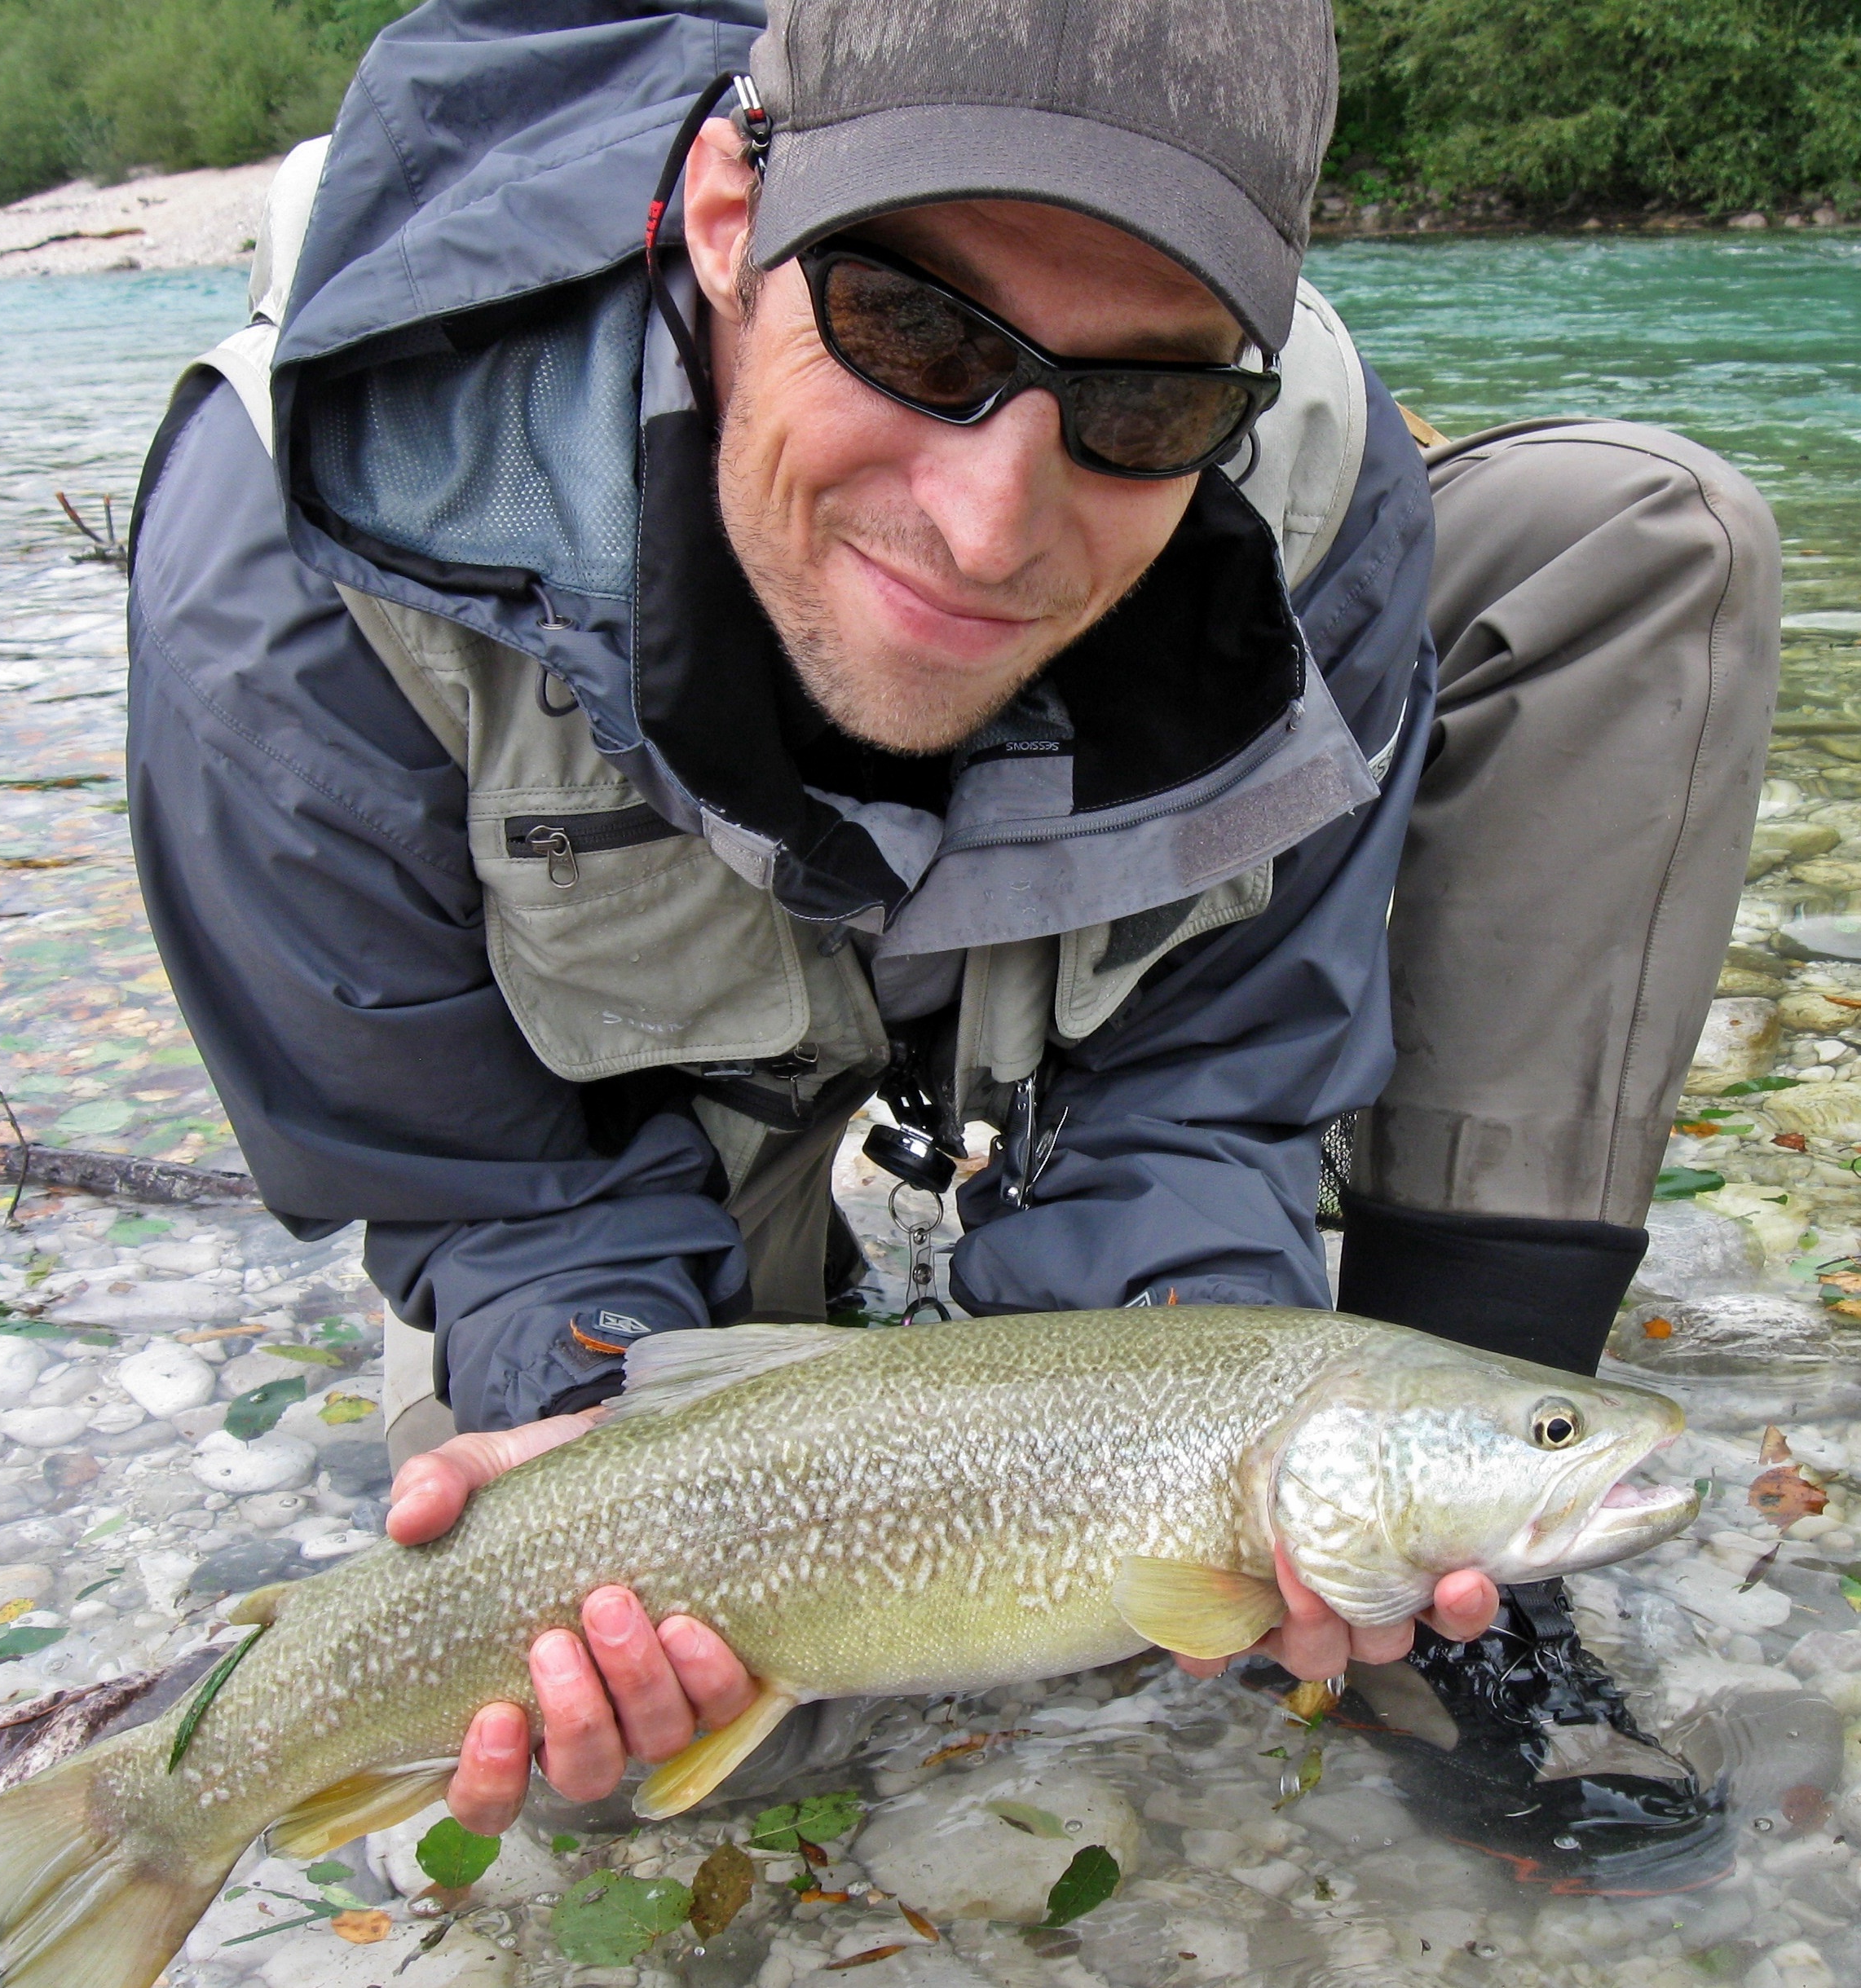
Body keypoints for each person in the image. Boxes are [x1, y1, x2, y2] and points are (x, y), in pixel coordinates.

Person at [126, 0, 1776, 1867]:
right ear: (727, 211)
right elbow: (482, 1185)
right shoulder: (297, 543)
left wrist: (1203, 1345)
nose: (995, 523)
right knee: (679, 1743)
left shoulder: (1313, 479)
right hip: (663, 1067)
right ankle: (160, 1810)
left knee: (1644, 531)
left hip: (1065, 975)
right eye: (914, 331)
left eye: (1143, 401)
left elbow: (1215, 1071)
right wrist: (584, 1390)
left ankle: (1458, 1584)